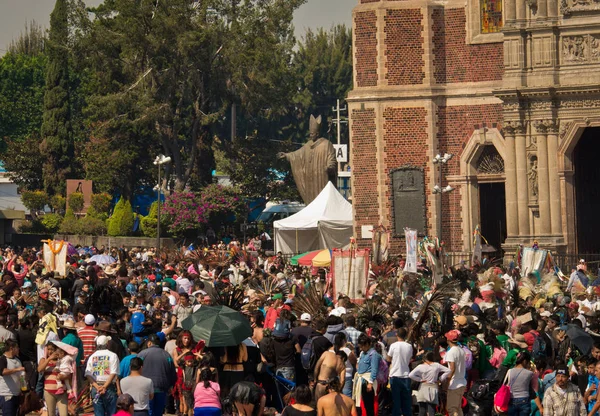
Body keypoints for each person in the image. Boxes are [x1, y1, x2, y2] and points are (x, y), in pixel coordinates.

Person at [137, 334, 177, 416]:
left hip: (146, 388)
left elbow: (135, 368)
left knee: (149, 411)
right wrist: (171, 386)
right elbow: (172, 372)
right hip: (162, 388)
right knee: (158, 412)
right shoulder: (166, 355)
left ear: (149, 343)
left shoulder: (142, 354)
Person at [85, 335, 120, 416]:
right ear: (107, 343)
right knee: (112, 413)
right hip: (109, 388)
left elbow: (88, 374)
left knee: (98, 413)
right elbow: (113, 373)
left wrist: (97, 387)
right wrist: (104, 387)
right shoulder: (113, 355)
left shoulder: (92, 356)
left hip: (96, 388)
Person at [408, 351, 450, 416]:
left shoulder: (420, 366)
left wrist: (420, 380)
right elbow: (448, 370)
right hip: (433, 387)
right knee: (432, 411)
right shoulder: (437, 365)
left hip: (423, 387)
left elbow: (410, 375)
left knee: (422, 410)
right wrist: (440, 379)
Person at [505, 351, 543, 416]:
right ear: (525, 361)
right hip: (524, 401)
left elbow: (505, 385)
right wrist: (540, 407)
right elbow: (532, 390)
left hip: (512, 400)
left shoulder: (510, 371)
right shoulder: (529, 373)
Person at [387, 327, 413, 416]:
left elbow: (388, 358)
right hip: (406, 375)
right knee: (406, 402)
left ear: (396, 334)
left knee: (396, 401)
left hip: (395, 375)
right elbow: (410, 358)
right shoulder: (409, 346)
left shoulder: (393, 346)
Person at [353, 334, 380, 416]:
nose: (361, 348)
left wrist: (370, 383)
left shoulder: (373, 354)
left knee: (369, 405)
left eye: (362, 346)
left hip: (367, 381)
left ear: (367, 344)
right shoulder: (362, 353)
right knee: (363, 404)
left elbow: (374, 369)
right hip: (361, 380)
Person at [38, 342, 67, 416]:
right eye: (48, 349)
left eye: (52, 349)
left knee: (64, 414)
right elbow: (39, 369)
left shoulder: (62, 360)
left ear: (57, 350)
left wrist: (63, 376)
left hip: (62, 392)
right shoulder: (43, 360)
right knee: (51, 414)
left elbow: (68, 374)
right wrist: (48, 359)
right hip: (48, 392)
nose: (50, 351)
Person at [444, 330, 467, 416]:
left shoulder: (451, 352)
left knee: (452, 409)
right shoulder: (461, 350)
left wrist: (447, 382)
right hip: (461, 382)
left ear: (448, 340)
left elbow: (452, 368)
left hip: (454, 384)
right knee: (458, 408)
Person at [0, 339, 24, 416]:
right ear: (11, 348)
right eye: (17, 347)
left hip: (17, 394)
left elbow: (20, 375)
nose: (18, 349)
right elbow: (3, 372)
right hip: (7, 394)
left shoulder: (18, 360)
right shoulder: (2, 359)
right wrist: (17, 369)